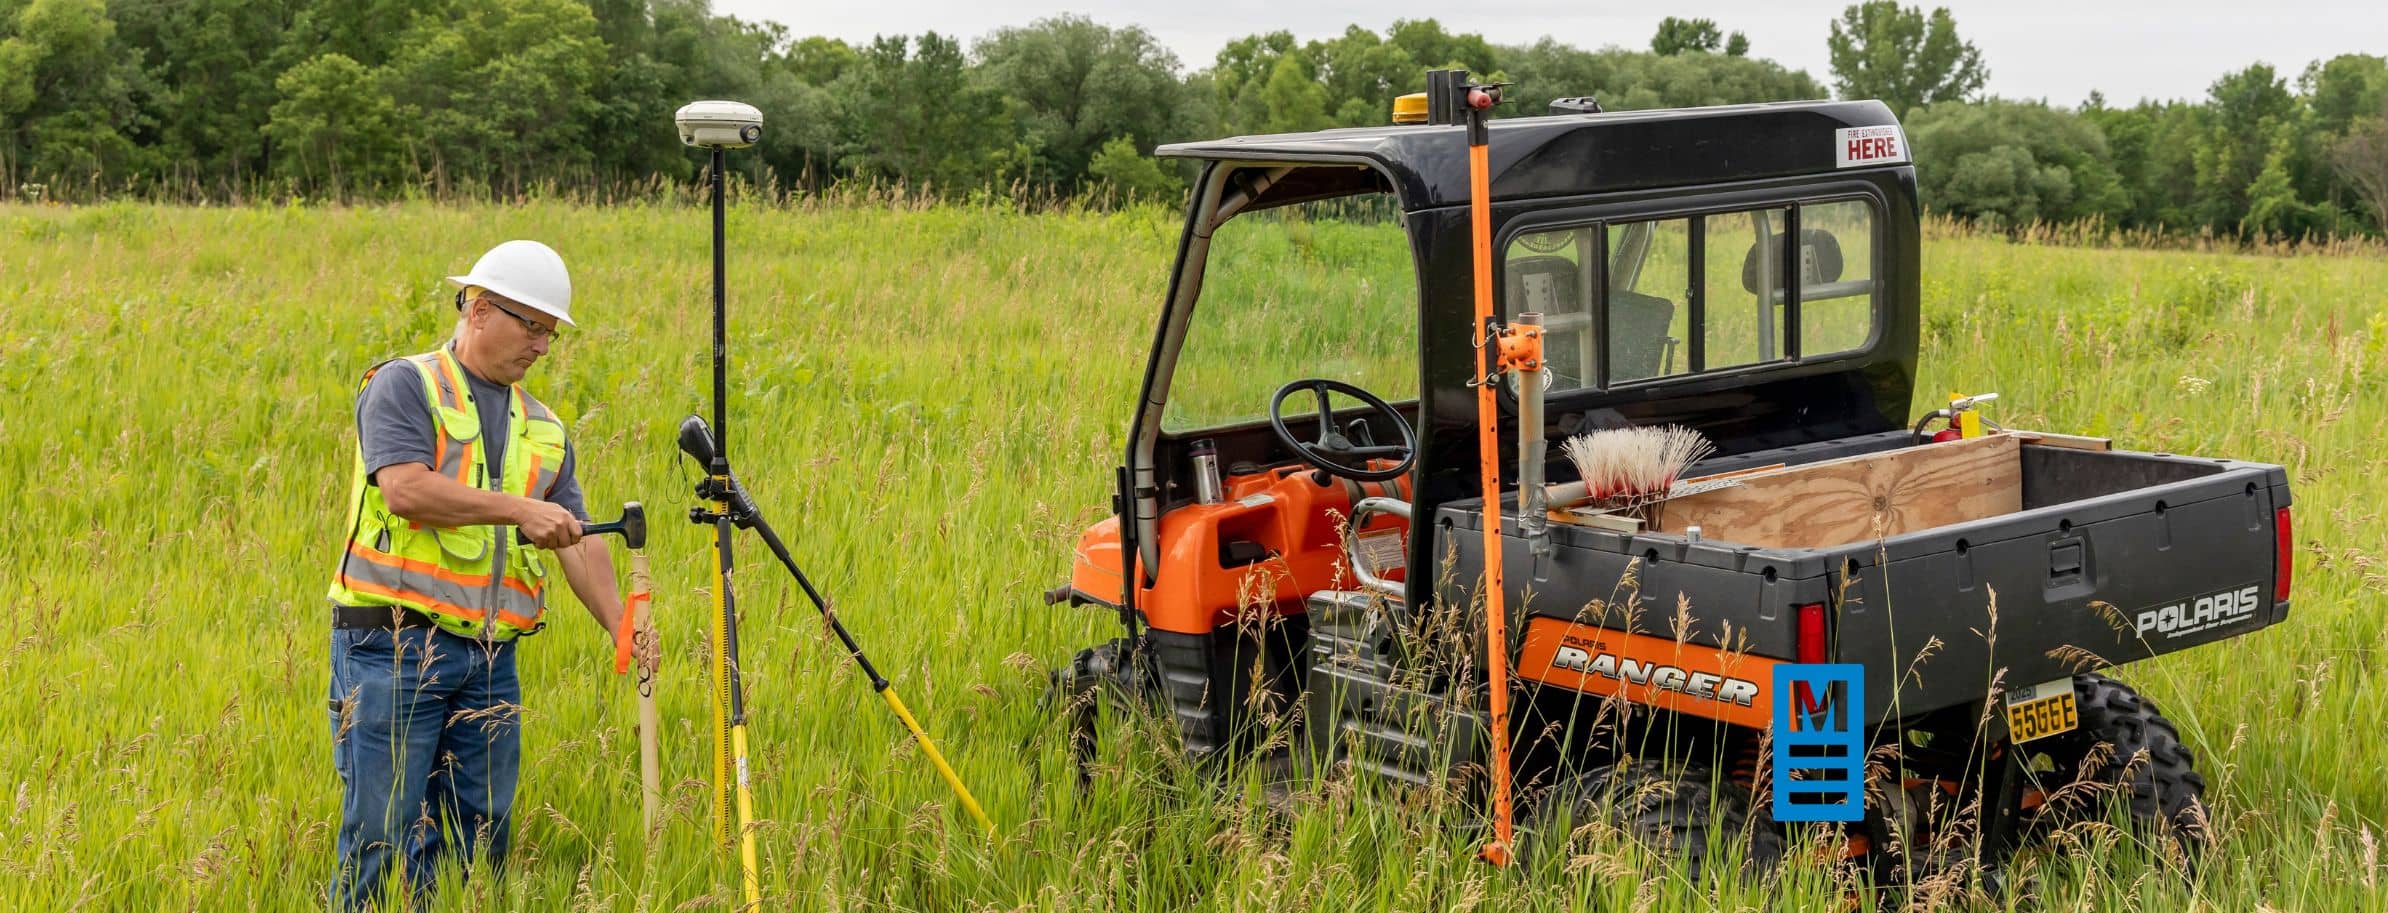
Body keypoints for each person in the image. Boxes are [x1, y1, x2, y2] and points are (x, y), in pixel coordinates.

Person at [324, 239, 623, 909]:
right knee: (380, 837)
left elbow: (574, 539)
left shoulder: (543, 428)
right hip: (391, 647)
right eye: (533, 326)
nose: (543, 345)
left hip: (491, 657)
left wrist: (624, 626)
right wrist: (521, 509)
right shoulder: (405, 384)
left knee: (476, 843)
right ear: (481, 310)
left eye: (550, 332)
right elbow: (405, 489)